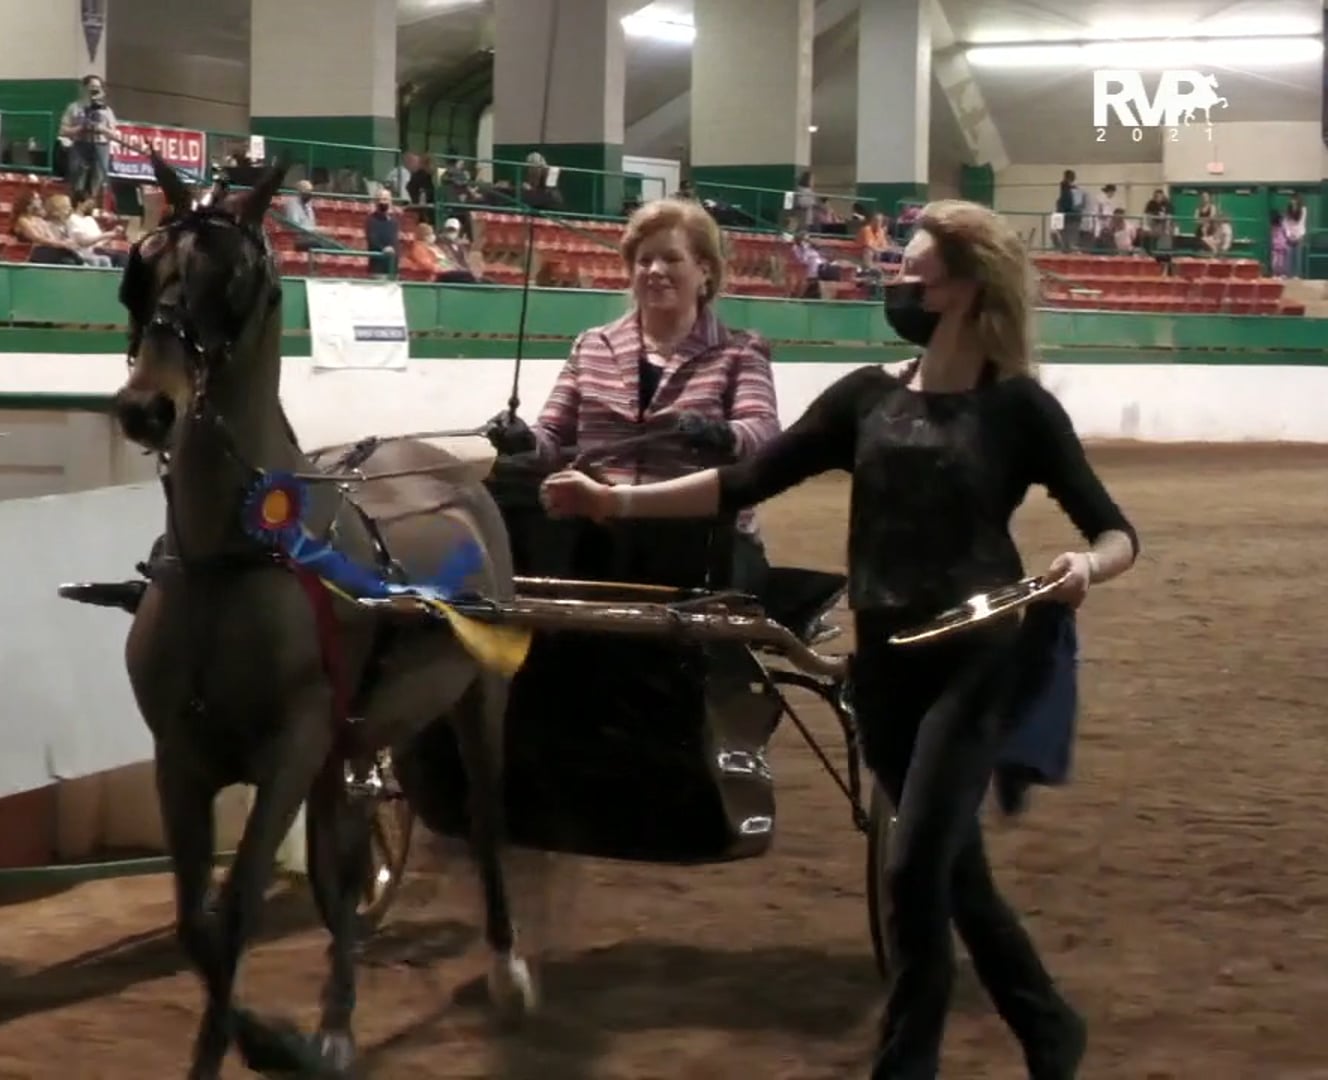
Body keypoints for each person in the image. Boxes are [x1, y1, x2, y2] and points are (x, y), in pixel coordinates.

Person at [541, 200, 1137, 1079]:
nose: (897, 284)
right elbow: (746, 479)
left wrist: (1086, 567)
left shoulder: (1018, 410)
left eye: (913, 272)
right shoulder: (866, 396)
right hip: (885, 661)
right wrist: (615, 501)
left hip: (978, 656)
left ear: (964, 288)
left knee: (913, 868)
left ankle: (906, 1065)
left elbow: (1115, 531)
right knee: (953, 872)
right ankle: (1048, 1025)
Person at [484, 196, 782, 592]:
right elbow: (552, 437)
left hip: (702, 543)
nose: (655, 270)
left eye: (671, 258)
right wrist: (523, 440)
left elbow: (764, 433)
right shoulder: (592, 345)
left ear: (705, 270)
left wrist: (725, 434)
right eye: (644, 261)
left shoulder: (740, 351)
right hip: (598, 537)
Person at [59, 74, 117, 205]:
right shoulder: (74, 107)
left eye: (98, 88)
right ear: (84, 88)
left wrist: (102, 129)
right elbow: (63, 130)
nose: (94, 90)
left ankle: (92, 203)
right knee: (77, 175)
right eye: (92, 87)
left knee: (98, 177)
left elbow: (114, 134)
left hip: (101, 146)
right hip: (80, 145)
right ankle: (76, 202)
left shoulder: (106, 110)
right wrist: (80, 128)